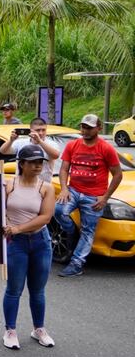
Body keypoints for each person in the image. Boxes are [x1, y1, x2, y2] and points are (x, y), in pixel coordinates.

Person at [2, 144, 56, 350]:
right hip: (16, 244)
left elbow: (45, 217)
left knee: (38, 290)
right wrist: (8, 227)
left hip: (40, 242)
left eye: (40, 162)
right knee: (14, 289)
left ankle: (39, 329)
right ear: (21, 164)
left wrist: (17, 228)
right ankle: (10, 330)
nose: (37, 166)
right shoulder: (9, 185)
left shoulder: (46, 187)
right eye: (32, 162)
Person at [55, 114, 122, 277]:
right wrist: (64, 188)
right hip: (73, 191)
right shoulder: (73, 145)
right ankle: (72, 233)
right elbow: (64, 169)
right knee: (57, 210)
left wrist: (105, 197)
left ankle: (76, 264)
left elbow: (118, 174)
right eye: (83, 127)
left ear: (98, 128)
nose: (85, 130)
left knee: (88, 231)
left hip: (94, 196)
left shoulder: (106, 148)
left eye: (89, 127)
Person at [0, 117, 61, 182]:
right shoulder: (21, 142)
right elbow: (3, 151)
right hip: (21, 185)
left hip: (43, 185)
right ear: (31, 130)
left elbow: (55, 155)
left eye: (43, 130)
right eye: (38, 130)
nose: (41, 133)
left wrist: (40, 142)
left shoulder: (52, 144)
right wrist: (11, 140)